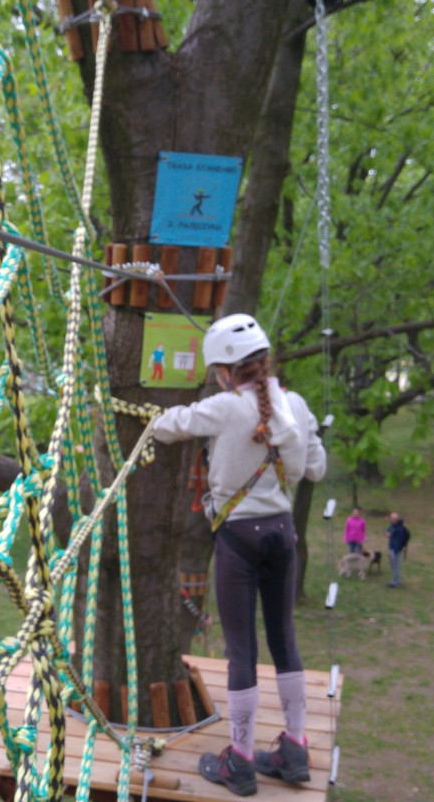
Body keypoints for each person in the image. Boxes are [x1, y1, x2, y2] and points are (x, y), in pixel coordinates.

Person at [153, 313, 327, 797]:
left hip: (238, 538)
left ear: (225, 370)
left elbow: (170, 426)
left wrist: (141, 415)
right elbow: (315, 469)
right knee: (284, 638)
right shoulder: (295, 404)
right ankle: (295, 747)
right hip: (282, 533)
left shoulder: (226, 407)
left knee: (241, 650)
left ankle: (242, 759)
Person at [386, 511, 410, 588]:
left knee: (396, 566)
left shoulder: (400, 529)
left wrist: (396, 551)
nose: (393, 520)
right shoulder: (393, 525)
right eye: (392, 518)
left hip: (396, 550)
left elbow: (400, 542)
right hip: (392, 548)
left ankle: (395, 582)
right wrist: (386, 533)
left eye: (394, 518)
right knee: (394, 566)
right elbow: (388, 530)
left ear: (397, 518)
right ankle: (396, 580)